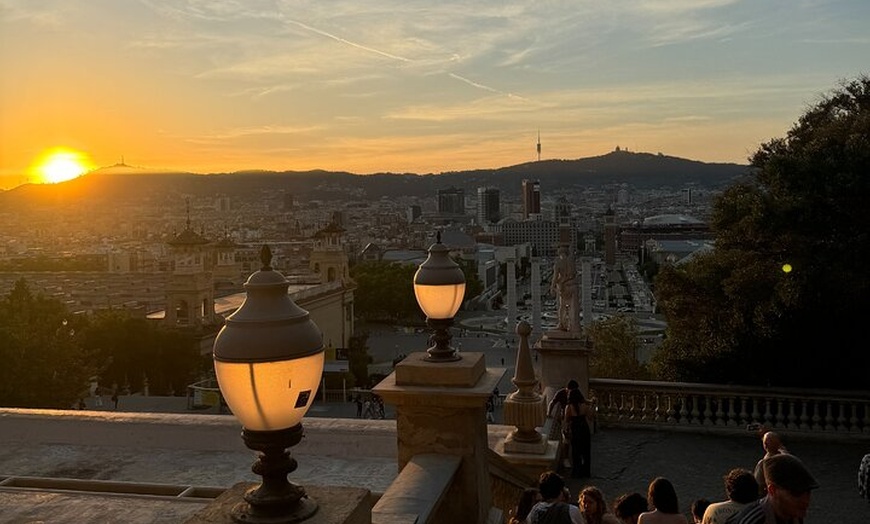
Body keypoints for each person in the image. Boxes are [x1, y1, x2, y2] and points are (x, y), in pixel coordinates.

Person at [732, 454, 818, 524]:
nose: (806, 501)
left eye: (808, 492)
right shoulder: (752, 520)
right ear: (772, 490)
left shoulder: (794, 514)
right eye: (796, 493)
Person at [564, 388, 592, 478]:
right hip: (584, 428)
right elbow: (591, 417)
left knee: (576, 451)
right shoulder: (584, 406)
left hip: (575, 429)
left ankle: (577, 471)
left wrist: (567, 430)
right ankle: (586, 471)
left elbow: (567, 420)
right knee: (586, 451)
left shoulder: (569, 407)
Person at [551, 245, 578, 332]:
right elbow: (574, 274)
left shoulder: (558, 263)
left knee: (562, 306)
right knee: (573, 306)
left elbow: (555, 277)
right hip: (573, 286)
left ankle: (562, 324)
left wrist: (552, 286)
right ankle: (573, 326)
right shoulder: (572, 262)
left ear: (559, 253)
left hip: (563, 287)